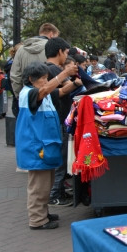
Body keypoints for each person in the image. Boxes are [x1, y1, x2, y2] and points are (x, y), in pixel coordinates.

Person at [16, 61, 79, 229]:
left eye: (46, 78)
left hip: (45, 145)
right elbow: (44, 90)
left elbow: (63, 90)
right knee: (38, 186)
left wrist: (76, 83)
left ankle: (43, 212)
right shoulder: (28, 93)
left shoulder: (44, 94)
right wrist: (64, 74)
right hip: (36, 147)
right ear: (31, 79)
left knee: (46, 183)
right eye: (43, 78)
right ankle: (37, 220)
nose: (45, 81)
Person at [44, 38, 83, 207]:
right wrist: (75, 82)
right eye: (66, 52)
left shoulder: (49, 68)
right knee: (61, 157)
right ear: (60, 51)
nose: (67, 55)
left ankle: (57, 191)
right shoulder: (53, 69)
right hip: (59, 117)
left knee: (60, 156)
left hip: (57, 117)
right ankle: (55, 194)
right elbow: (58, 92)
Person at [10, 23, 60, 115]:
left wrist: (20, 96)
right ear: (51, 34)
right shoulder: (53, 49)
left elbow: (15, 76)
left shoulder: (21, 50)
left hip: (25, 99)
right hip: (48, 100)